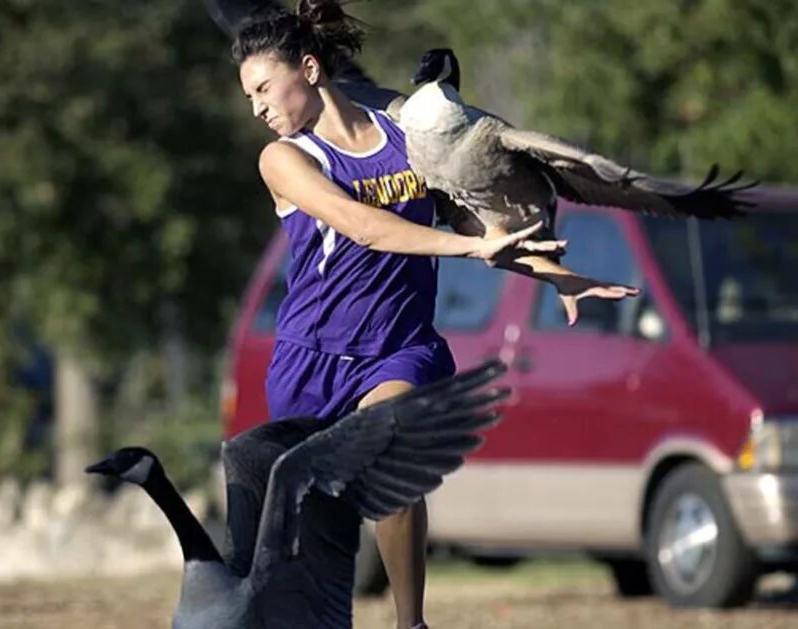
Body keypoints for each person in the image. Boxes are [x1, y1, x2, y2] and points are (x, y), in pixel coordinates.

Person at [231, 2, 636, 627]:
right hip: (308, 362)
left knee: (391, 442)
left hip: (399, 348)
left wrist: (559, 276)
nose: (256, 106)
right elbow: (365, 227)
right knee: (312, 544)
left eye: (262, 88)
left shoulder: (406, 138)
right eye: (249, 94)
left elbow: (476, 227)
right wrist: (475, 247)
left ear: (308, 69)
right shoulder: (283, 159)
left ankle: (410, 623)